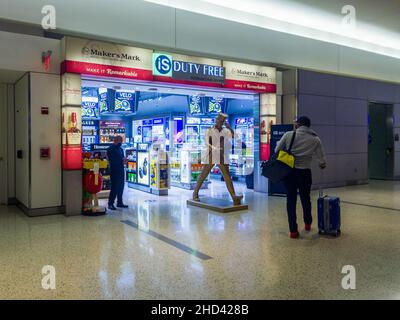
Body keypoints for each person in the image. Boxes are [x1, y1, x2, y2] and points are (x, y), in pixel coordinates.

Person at [275, 116, 326, 239]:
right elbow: (321, 159)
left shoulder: (288, 135)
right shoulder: (315, 139)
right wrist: (322, 164)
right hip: (305, 173)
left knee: (291, 201)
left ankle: (293, 231)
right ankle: (308, 223)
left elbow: (277, 149)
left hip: (290, 173)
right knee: (305, 199)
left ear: (298, 124)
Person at [193, 112, 243, 205]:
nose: (220, 122)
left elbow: (235, 137)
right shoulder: (210, 130)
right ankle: (195, 193)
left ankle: (234, 197)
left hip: (221, 155)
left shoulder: (225, 131)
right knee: (204, 174)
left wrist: (229, 128)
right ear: (217, 120)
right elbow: (207, 142)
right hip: (211, 154)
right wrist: (214, 147)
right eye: (219, 120)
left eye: (222, 121)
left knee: (227, 176)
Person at [107, 135, 129, 210]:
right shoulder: (110, 149)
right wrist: (121, 160)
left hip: (121, 170)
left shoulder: (120, 149)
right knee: (114, 187)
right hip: (114, 170)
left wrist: (124, 160)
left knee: (121, 187)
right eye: (120, 141)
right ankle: (110, 203)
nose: (121, 143)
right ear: (116, 140)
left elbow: (122, 159)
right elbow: (112, 160)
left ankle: (120, 202)